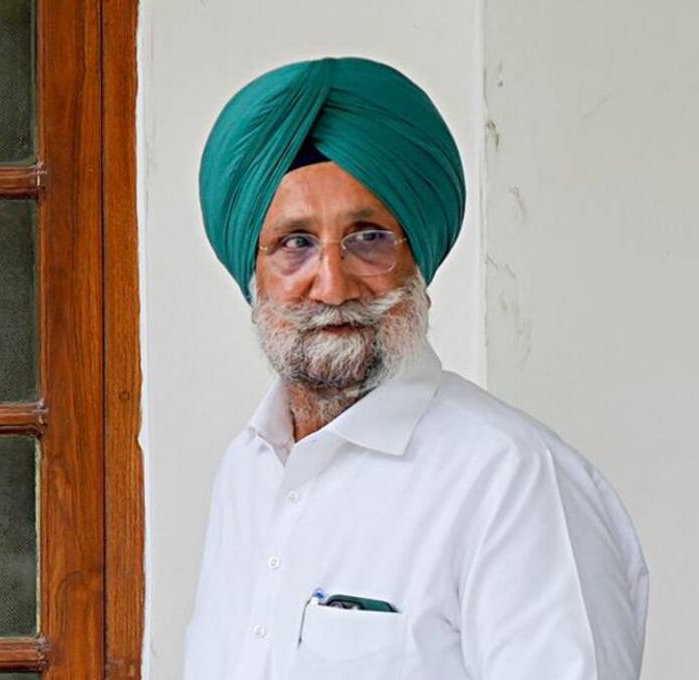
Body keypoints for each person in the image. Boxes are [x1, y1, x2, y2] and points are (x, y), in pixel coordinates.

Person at [185, 56, 649, 680]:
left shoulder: (510, 478)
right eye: (295, 243)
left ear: (416, 259)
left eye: (369, 237)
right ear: (254, 270)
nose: (333, 284)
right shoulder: (248, 467)